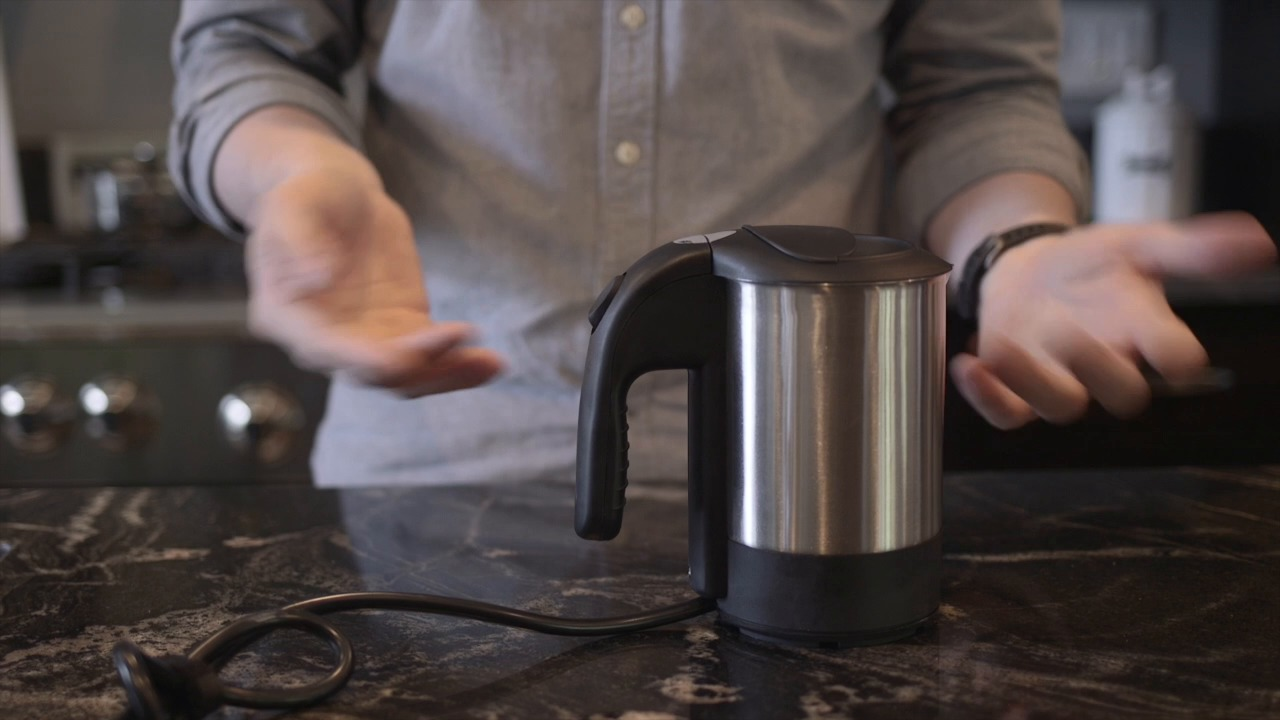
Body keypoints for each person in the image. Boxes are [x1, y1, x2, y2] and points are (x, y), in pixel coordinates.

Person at [170, 0, 1275, 487]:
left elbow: (975, 88)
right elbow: (245, 47)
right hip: (428, 469)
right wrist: (294, 174)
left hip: (813, 479)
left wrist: (1015, 246)